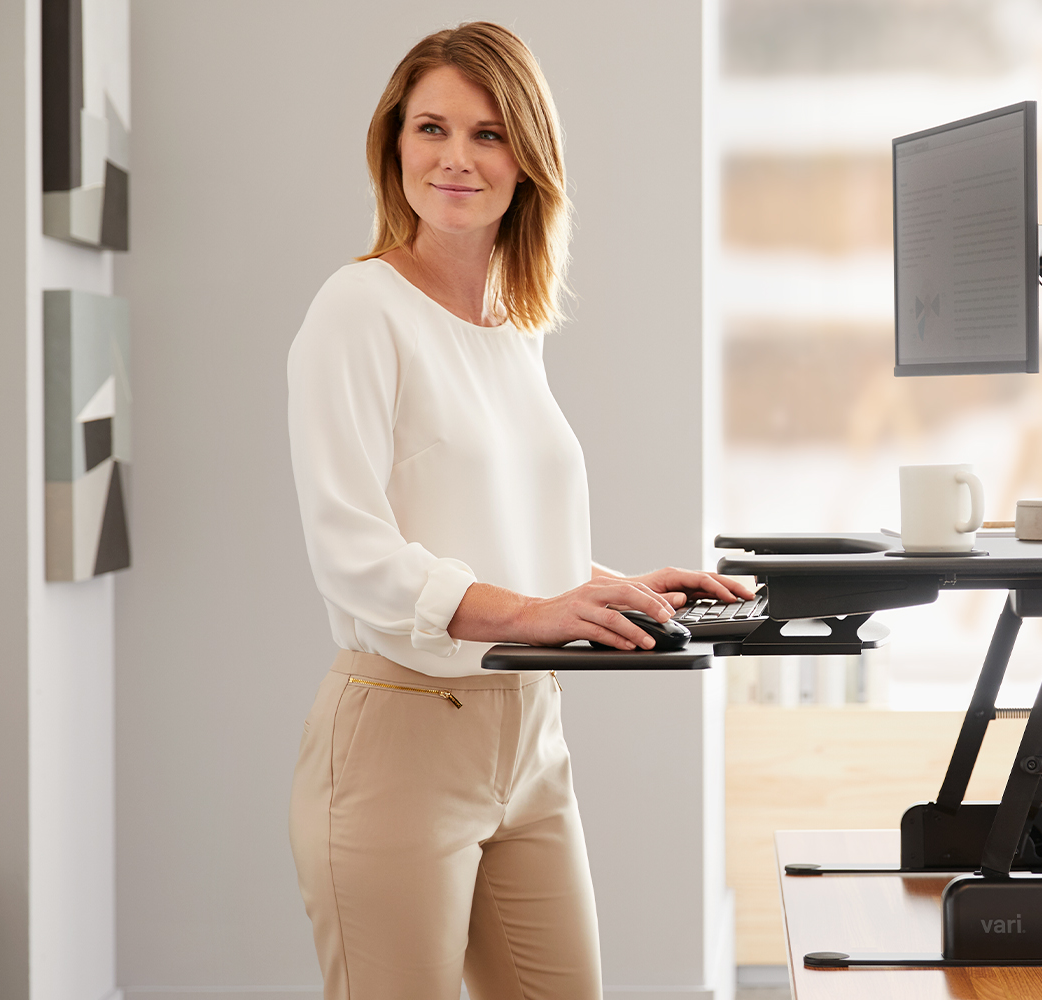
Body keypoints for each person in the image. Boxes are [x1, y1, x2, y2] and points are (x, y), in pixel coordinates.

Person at [285, 22, 751, 1000]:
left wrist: (605, 587)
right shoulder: (357, 309)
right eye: (431, 128)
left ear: (527, 159)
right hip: (402, 735)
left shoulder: (513, 326)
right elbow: (351, 550)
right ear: (394, 145)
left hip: (530, 733)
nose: (456, 157)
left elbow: (491, 536)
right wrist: (535, 614)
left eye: (490, 134)